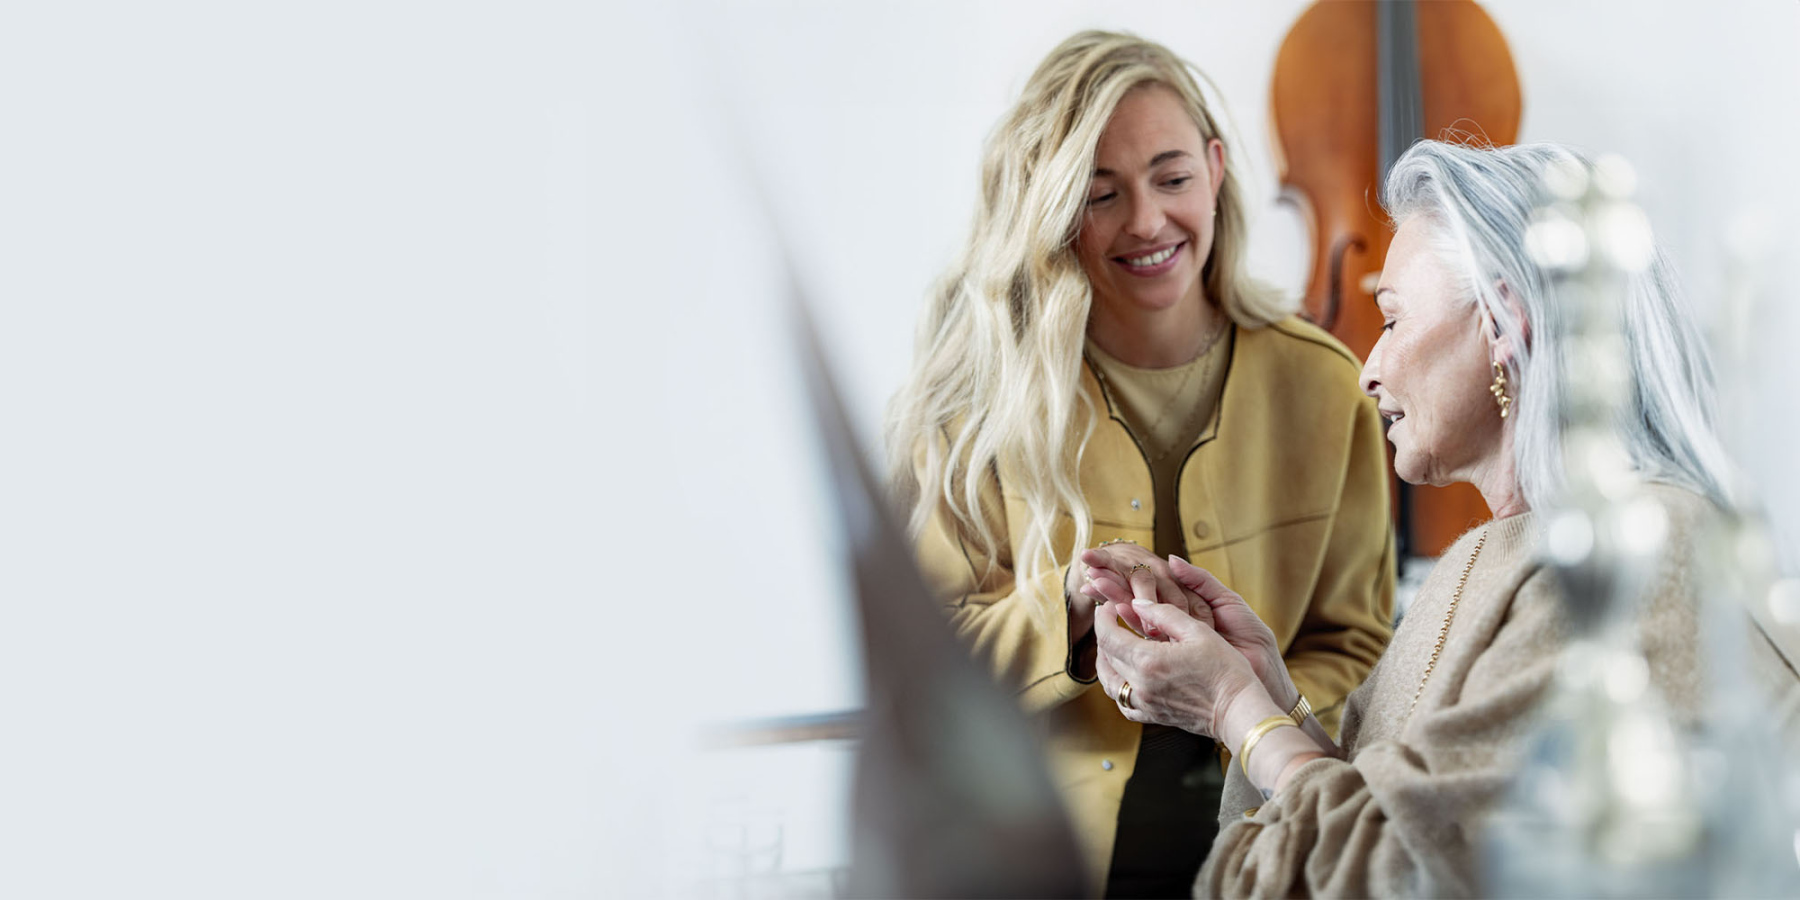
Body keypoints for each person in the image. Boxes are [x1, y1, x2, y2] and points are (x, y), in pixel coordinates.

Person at [1080, 139, 1800, 897]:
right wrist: (1271, 688)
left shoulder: (1643, 559)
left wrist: (1234, 708)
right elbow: (1386, 810)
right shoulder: (1483, 559)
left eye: (1392, 321)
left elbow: (1402, 873)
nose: (1368, 370)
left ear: (1503, 322)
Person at [886, 30, 1395, 896]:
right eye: (1100, 193)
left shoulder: (1326, 384)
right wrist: (1068, 615)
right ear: (1051, 207)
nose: (1148, 221)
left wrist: (1236, 704)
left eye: (1172, 178)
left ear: (1217, 169)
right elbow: (922, 663)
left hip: (1267, 862)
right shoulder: (974, 405)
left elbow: (1359, 644)